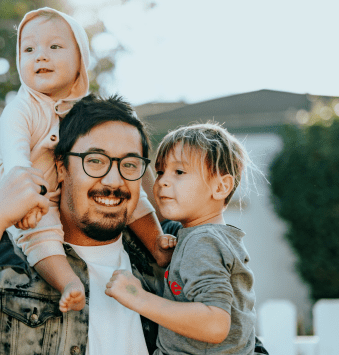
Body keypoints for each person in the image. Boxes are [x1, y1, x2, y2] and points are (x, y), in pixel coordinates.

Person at [0, 94, 168, 355]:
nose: (113, 181)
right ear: (61, 167)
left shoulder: (170, 265)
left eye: (130, 165)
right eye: (95, 161)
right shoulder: (3, 271)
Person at [0, 7, 173, 313]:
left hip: (62, 193)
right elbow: (15, 161)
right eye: (29, 49)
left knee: (133, 193)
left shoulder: (83, 112)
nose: (41, 56)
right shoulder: (20, 110)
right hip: (30, 200)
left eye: (54, 47)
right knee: (41, 236)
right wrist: (26, 201)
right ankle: (68, 282)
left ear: (80, 62)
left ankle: (158, 244)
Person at [106, 122, 261, 354]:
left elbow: (215, 324)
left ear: (220, 187)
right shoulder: (206, 238)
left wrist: (138, 298)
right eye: (160, 172)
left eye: (179, 172)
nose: (162, 182)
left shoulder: (203, 242)